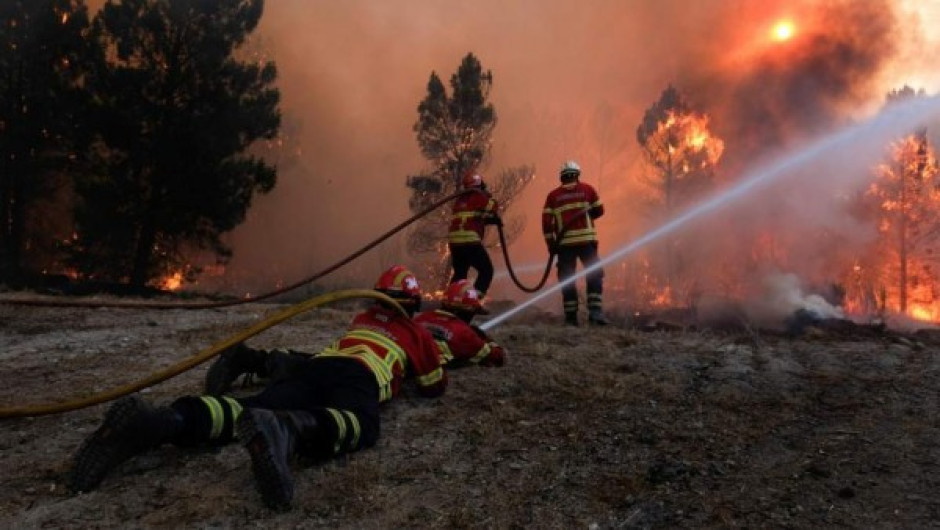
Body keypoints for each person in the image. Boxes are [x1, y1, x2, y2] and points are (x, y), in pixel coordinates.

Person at [68, 265, 446, 511]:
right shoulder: (416, 332)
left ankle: (165, 421)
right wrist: (428, 352)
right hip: (360, 376)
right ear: (412, 305)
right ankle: (288, 429)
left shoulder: (361, 317)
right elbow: (433, 386)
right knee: (361, 423)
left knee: (249, 408)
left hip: (317, 367)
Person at [542, 159, 609, 326]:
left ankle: (571, 318)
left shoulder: (553, 196)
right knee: (594, 274)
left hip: (565, 245)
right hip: (587, 242)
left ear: (562, 177)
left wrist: (551, 245)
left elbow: (546, 223)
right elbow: (600, 210)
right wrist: (587, 217)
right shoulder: (587, 189)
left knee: (567, 279)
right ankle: (595, 313)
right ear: (577, 175)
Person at [414, 279, 506, 368]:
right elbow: (499, 358)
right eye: (473, 312)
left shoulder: (422, 318)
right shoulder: (464, 333)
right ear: (467, 312)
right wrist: (486, 338)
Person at [448, 171, 501, 300]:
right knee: (486, 271)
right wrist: (488, 196)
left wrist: (487, 220)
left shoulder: (460, 200)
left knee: (460, 274)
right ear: (479, 184)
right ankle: (473, 300)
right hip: (470, 241)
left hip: (455, 243)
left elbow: (472, 218)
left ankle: (451, 299)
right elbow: (493, 207)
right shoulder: (479, 196)